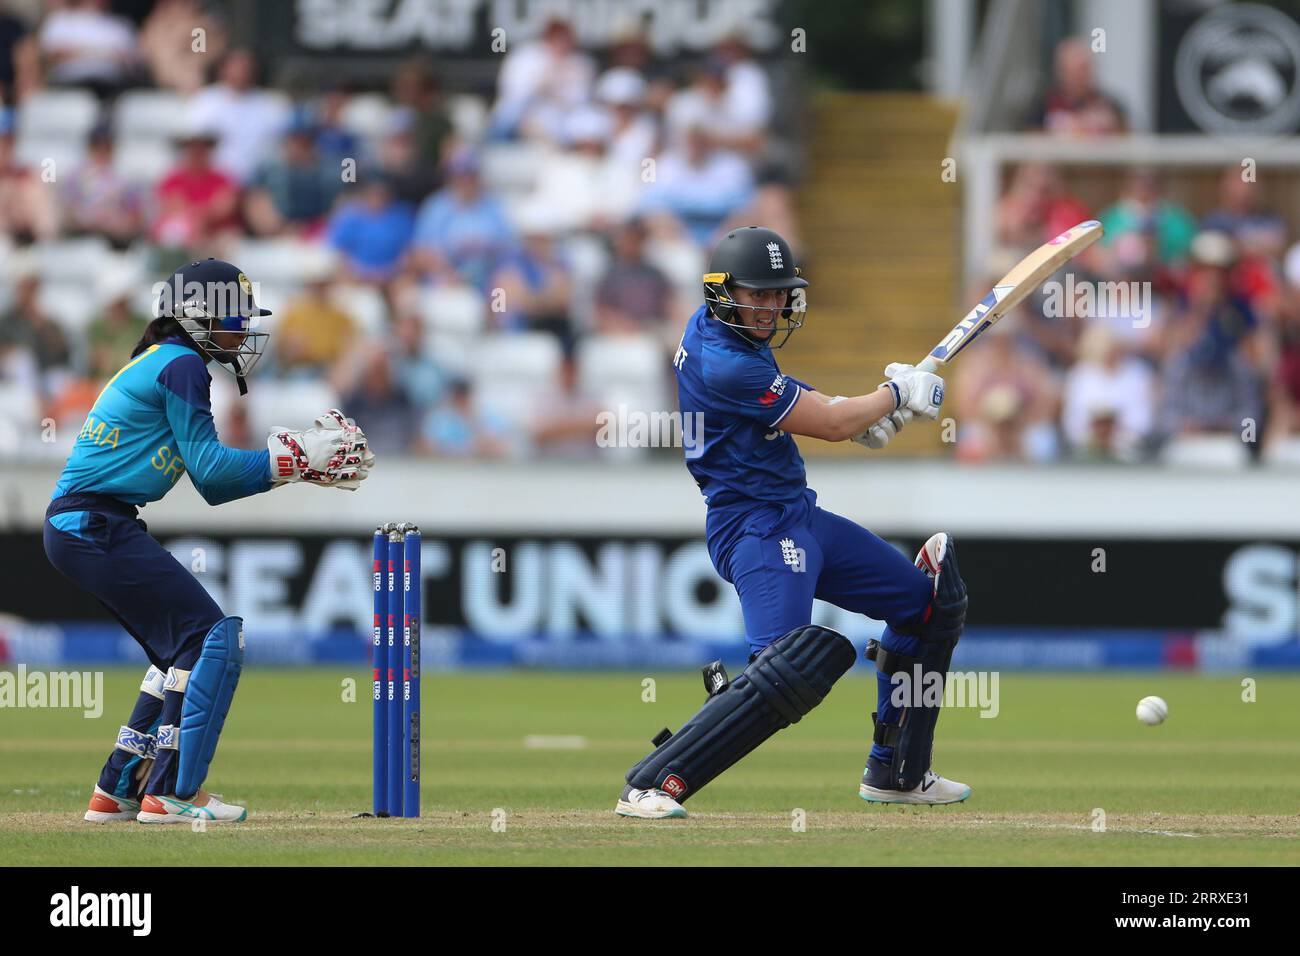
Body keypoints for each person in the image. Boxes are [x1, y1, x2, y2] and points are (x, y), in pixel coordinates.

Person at [615, 227, 971, 819]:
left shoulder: (726, 331)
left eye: (780, 294)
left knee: (930, 605)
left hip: (797, 514)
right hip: (755, 528)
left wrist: (864, 414)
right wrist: (891, 394)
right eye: (759, 294)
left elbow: (805, 409)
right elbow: (824, 422)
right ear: (722, 292)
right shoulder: (724, 362)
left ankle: (898, 773)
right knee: (786, 670)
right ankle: (652, 782)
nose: (771, 307)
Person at [43, 259, 374, 825]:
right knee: (213, 639)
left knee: (182, 649)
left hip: (88, 524)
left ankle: (119, 787)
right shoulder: (182, 365)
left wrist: (287, 466)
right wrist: (294, 458)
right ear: (199, 315)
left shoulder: (166, 360)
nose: (244, 330)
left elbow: (211, 484)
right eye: (235, 318)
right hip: (93, 523)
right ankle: (173, 793)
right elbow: (213, 476)